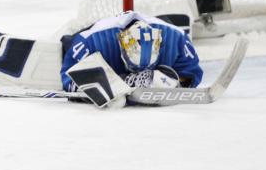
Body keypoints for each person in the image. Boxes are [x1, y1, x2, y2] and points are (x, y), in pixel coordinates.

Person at [60, 11, 203, 106]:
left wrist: (173, 81)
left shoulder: (176, 38)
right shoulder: (93, 40)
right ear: (121, 47)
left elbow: (192, 72)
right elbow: (68, 76)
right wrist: (117, 83)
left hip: (159, 22)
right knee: (64, 44)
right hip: (92, 35)